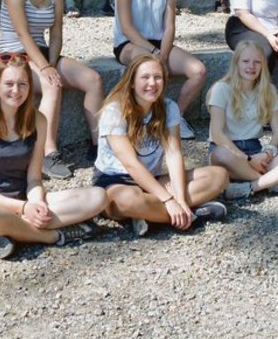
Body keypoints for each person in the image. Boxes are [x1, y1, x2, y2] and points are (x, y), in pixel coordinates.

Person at [0, 53, 106, 259]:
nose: (16, 91)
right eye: (9, 83)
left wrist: (37, 204)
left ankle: (9, 232)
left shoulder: (38, 120)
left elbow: (34, 178)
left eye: (22, 84)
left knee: (98, 197)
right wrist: (24, 208)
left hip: (22, 198)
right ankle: (52, 236)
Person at [0, 0, 106, 179]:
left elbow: (56, 35)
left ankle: (99, 145)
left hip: (42, 52)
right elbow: (23, 34)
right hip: (13, 55)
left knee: (93, 80)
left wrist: (52, 63)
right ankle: (48, 153)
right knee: (52, 85)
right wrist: (46, 68)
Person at [94, 54, 230, 236]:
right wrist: (167, 200)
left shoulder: (169, 107)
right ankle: (191, 215)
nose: (152, 83)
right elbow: (130, 164)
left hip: (151, 179)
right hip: (116, 182)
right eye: (145, 77)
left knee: (219, 176)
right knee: (129, 200)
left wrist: (179, 199)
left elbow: (174, 154)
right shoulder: (115, 111)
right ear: (132, 82)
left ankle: (152, 215)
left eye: (157, 77)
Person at [113, 0, 205, 140]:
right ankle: (141, 119)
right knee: (147, 66)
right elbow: (127, 28)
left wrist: (162, 54)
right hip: (129, 44)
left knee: (198, 71)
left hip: (159, 43)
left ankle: (175, 116)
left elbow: (169, 26)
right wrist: (155, 55)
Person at [207, 41, 278, 198]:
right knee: (220, 154)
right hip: (229, 153)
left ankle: (252, 186)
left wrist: (268, 152)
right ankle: (272, 183)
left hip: (257, 151)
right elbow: (217, 134)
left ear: (262, 66)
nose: (251, 66)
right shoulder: (221, 88)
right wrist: (247, 159)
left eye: (257, 62)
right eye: (245, 61)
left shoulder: (268, 90)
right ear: (236, 63)